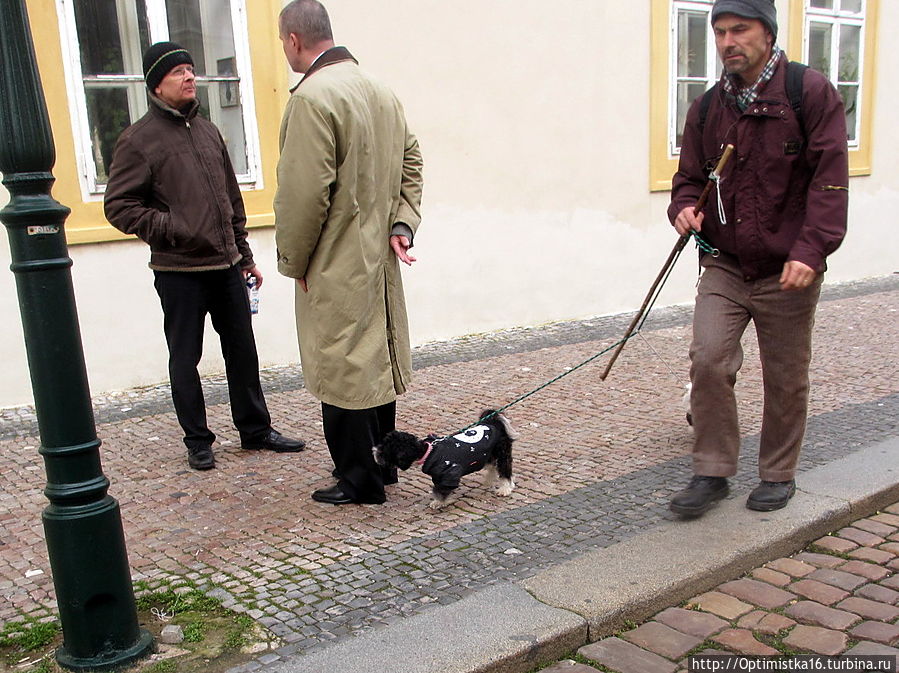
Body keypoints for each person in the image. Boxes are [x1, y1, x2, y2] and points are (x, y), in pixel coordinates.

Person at [668, 0, 848, 517]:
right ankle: (713, 470)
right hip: (725, 263)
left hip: (788, 265)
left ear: (766, 34)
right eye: (720, 31)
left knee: (785, 375)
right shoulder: (706, 108)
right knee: (708, 358)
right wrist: (683, 209)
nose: (728, 41)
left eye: (739, 30)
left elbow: (830, 183)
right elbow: (688, 181)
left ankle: (777, 474)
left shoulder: (808, 93)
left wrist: (811, 250)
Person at [104, 41, 305, 471]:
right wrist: (174, 228)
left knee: (242, 350)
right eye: (179, 72)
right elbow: (119, 207)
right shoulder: (138, 141)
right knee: (185, 357)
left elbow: (231, 200)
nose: (190, 77)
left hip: (227, 265)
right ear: (157, 84)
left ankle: (254, 430)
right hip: (179, 271)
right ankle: (198, 440)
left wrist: (245, 254)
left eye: (191, 69)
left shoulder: (210, 131)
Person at [273, 0, 424, 505]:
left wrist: (293, 262)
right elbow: (412, 163)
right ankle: (385, 464)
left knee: (339, 367)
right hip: (377, 256)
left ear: (294, 40)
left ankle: (360, 479)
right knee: (372, 361)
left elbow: (302, 195)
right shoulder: (382, 92)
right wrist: (403, 222)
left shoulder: (312, 99)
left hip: (335, 258)